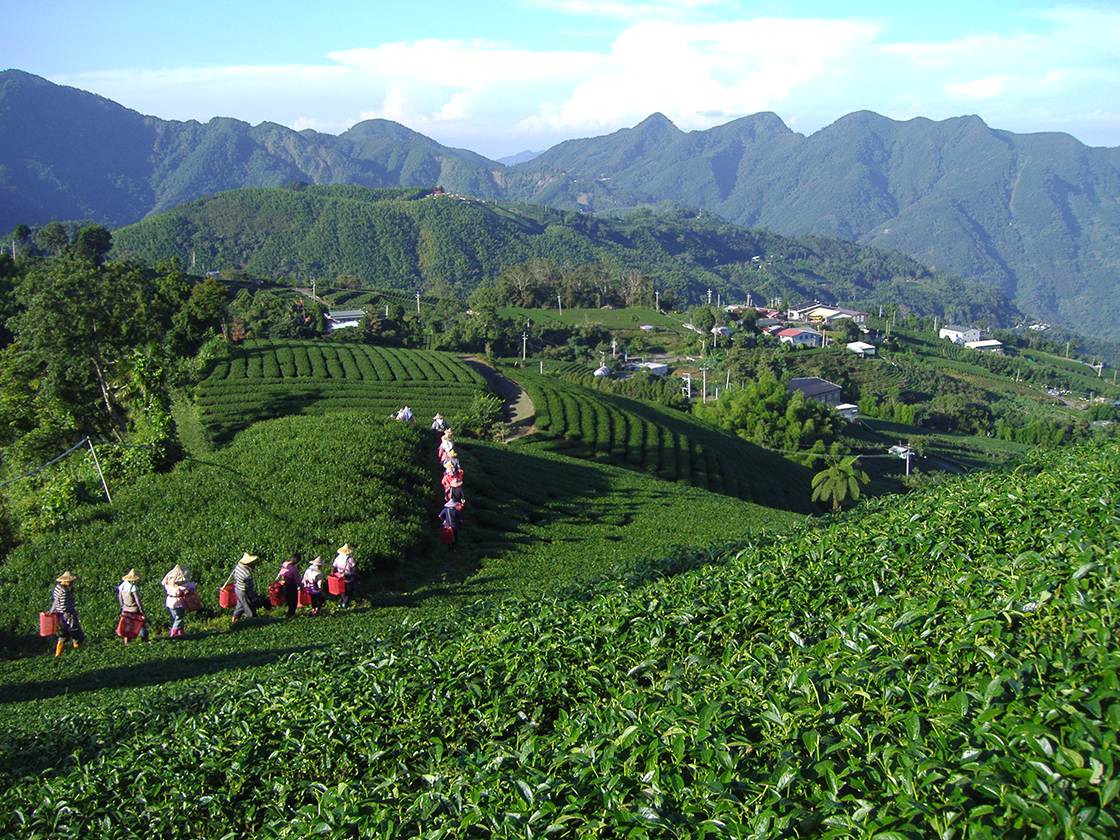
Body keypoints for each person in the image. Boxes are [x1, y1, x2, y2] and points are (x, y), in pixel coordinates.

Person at [49, 570, 86, 656]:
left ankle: (58, 655)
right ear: (66, 581)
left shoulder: (57, 588)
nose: (72, 583)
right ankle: (79, 652)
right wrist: (71, 612)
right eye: (71, 582)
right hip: (66, 615)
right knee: (76, 633)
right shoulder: (64, 591)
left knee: (64, 634)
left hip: (59, 615)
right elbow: (64, 605)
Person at [162, 565, 196, 639]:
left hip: (170, 602)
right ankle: (173, 633)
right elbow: (191, 586)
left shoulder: (168, 586)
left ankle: (180, 632)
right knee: (179, 618)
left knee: (176, 617)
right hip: (178, 603)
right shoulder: (181, 587)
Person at [117, 568, 149, 644]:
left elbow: (120, 600)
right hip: (134, 609)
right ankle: (145, 640)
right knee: (141, 625)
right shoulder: (133, 588)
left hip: (126, 609)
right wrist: (142, 611)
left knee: (127, 626)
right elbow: (138, 601)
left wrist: (123, 607)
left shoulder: (122, 587)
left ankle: (127, 642)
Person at [232, 552, 259, 624]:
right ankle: (252, 622)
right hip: (244, 591)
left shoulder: (238, 566)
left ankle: (234, 620)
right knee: (249, 607)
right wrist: (252, 596)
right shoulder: (246, 574)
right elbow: (249, 587)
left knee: (240, 606)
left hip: (238, 589)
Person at [330, 544, 357, 609]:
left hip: (340, 576)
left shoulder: (338, 558)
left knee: (342, 590)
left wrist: (334, 575)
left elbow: (333, 567)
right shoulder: (350, 559)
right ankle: (345, 603)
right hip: (348, 577)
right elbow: (354, 568)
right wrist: (356, 574)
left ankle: (345, 603)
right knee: (350, 591)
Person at [277, 553, 301, 618]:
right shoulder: (293, 569)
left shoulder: (285, 564)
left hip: (285, 584)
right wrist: (302, 587)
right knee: (293, 601)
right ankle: (291, 614)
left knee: (288, 599)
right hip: (291, 585)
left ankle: (288, 613)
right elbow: (297, 579)